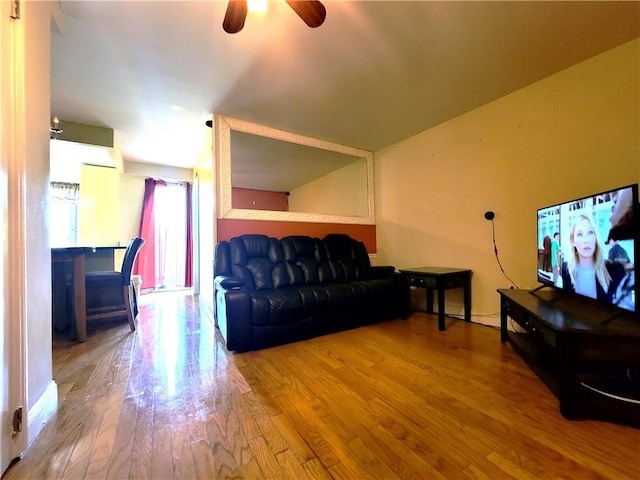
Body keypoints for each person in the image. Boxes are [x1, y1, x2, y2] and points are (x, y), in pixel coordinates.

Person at [561, 214, 625, 303]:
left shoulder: (616, 270)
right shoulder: (566, 269)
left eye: (590, 232)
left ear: (596, 237)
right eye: (580, 234)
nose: (586, 240)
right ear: (572, 241)